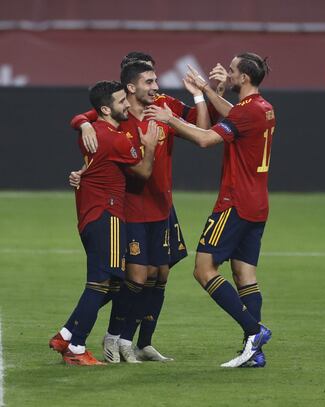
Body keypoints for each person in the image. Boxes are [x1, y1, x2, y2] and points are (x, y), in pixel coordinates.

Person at [69, 60, 210, 364]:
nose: (156, 87)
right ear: (130, 87)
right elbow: (86, 117)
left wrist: (200, 96)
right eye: (149, 81)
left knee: (159, 275)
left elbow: (202, 130)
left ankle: (142, 342)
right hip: (129, 209)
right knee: (132, 277)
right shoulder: (117, 116)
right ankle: (114, 336)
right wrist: (81, 123)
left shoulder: (162, 109)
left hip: (162, 206)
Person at [144, 52, 275, 368]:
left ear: (243, 78)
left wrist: (170, 119)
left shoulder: (246, 113)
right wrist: (206, 90)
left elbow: (205, 139)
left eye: (231, 71)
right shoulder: (263, 108)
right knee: (245, 275)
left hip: (235, 203)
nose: (227, 73)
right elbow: (233, 113)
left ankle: (254, 332)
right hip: (258, 204)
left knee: (203, 270)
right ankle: (253, 353)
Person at [49, 80, 159, 365]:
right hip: (107, 216)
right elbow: (144, 172)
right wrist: (149, 147)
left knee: (111, 284)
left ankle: (65, 334)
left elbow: (85, 123)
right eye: (122, 101)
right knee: (99, 284)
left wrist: (83, 123)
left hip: (91, 216)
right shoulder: (116, 138)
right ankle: (76, 348)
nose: (126, 104)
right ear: (106, 108)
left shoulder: (94, 131)